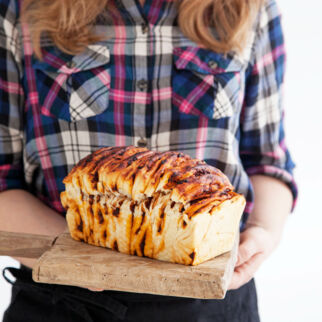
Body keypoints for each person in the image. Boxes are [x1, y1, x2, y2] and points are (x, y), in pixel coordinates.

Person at [0, 0, 297, 321]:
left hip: (210, 302)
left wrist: (262, 232)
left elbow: (268, 161)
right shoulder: (20, 8)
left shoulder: (250, 7)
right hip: (63, 302)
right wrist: (81, 259)